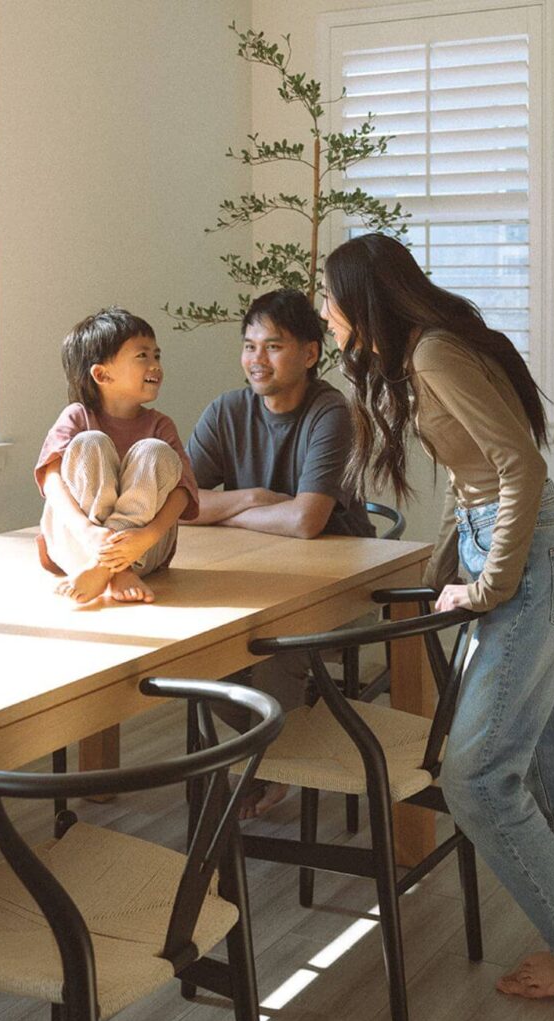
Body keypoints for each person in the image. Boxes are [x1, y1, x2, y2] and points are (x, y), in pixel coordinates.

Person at [320, 233, 554, 1001]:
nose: (325, 315)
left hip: (529, 567)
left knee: (477, 777)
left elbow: (519, 465)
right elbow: (480, 477)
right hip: (531, 556)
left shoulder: (431, 354)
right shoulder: (432, 349)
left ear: (363, 299)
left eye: (329, 299)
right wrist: (452, 564)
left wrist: (489, 584)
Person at [186, 288, 374, 814]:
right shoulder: (226, 410)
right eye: (249, 346)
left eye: (273, 346)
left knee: (279, 645)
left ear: (311, 354)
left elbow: (306, 520)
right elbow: (178, 505)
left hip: (341, 591)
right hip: (257, 578)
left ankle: (266, 766)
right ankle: (288, 741)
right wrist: (251, 497)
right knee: (194, 644)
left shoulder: (331, 413)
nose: (256, 360)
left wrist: (227, 507)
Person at [35, 307, 199, 605]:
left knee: (154, 451)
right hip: (80, 543)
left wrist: (147, 537)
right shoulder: (77, 417)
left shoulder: (160, 425)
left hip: (142, 550)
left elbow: (184, 492)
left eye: (157, 356)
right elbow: (51, 481)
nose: (155, 365)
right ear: (101, 374)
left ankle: (106, 569)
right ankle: (113, 569)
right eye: (142, 356)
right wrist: (88, 533)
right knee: (90, 443)